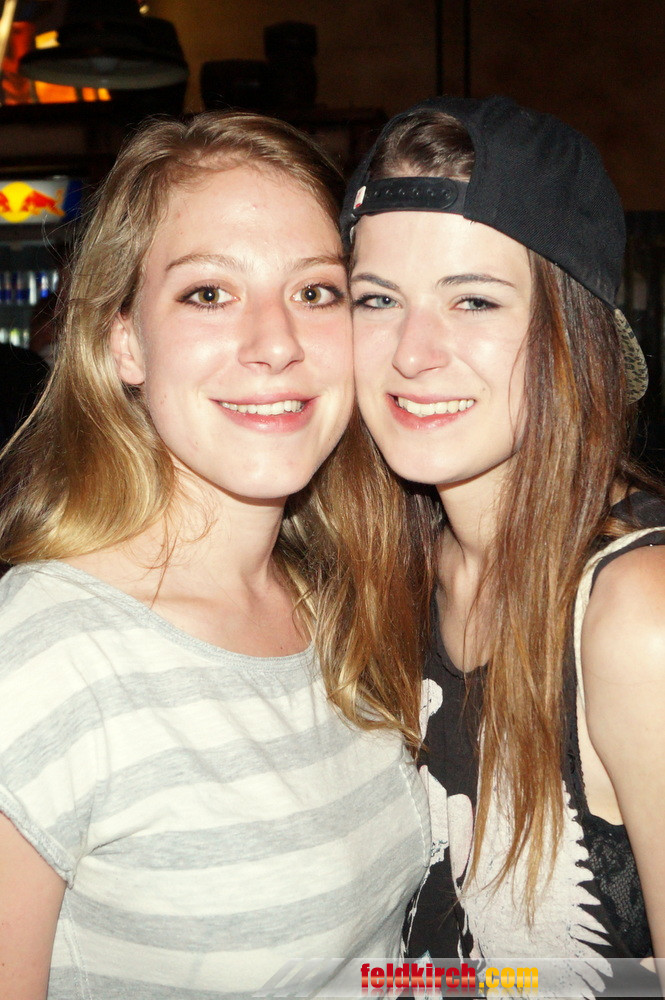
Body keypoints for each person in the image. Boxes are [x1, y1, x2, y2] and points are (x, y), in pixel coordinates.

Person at [0, 111, 430, 1000]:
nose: (275, 342)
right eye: (208, 293)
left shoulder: (341, 603)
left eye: (315, 291)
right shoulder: (45, 656)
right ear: (124, 339)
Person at [342, 95, 665, 996]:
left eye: (473, 300)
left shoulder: (636, 613)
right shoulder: (394, 571)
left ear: (572, 331)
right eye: (377, 299)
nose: (413, 353)